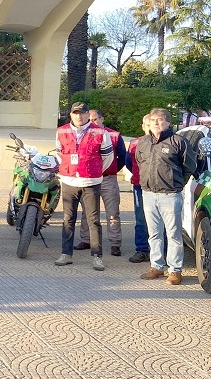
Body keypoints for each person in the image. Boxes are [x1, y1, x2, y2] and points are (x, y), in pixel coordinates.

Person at [136, 108, 197, 285]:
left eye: (160, 119)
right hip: (148, 194)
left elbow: (189, 167)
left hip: (170, 195)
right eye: (153, 119)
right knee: (154, 234)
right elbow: (140, 163)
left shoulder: (178, 142)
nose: (156, 122)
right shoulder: (144, 142)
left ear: (168, 122)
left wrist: (176, 184)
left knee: (173, 234)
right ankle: (156, 266)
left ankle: (175, 270)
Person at [54, 102, 113, 271]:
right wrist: (68, 170)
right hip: (69, 181)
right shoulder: (61, 131)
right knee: (68, 219)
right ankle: (66, 254)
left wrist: (93, 171)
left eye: (82, 113)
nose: (79, 116)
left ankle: (97, 256)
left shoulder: (100, 132)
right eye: (75, 113)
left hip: (91, 182)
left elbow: (107, 157)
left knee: (93, 220)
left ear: (88, 115)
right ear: (71, 115)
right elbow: (59, 153)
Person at [74, 109, 126, 256]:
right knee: (87, 212)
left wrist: (110, 169)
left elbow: (122, 158)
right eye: (90, 120)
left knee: (113, 213)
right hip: (89, 179)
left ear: (102, 119)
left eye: (96, 119)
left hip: (108, 179)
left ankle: (115, 244)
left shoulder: (114, 135)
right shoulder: (82, 135)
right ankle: (86, 239)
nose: (93, 123)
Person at [127, 114, 151, 263]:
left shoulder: (167, 142)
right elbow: (128, 163)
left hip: (161, 187)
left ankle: (162, 252)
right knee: (141, 220)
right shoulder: (135, 143)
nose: (149, 127)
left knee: (161, 222)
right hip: (139, 186)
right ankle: (142, 250)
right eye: (147, 124)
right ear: (142, 126)